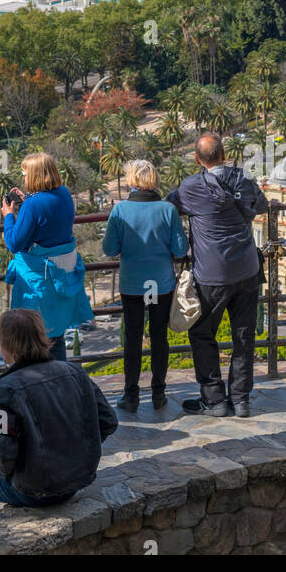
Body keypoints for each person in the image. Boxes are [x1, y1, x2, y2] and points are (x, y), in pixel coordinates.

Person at [0, 308, 118, 524]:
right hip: (76, 481)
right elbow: (108, 422)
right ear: (42, 337)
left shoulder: (6, 389)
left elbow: (3, 455)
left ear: (6, 346)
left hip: (33, 489)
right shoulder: (75, 372)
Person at [168, 132, 269, 419]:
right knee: (244, 336)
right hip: (248, 270)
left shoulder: (190, 187)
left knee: (201, 334)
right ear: (224, 156)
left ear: (198, 160)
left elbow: (168, 205)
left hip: (211, 274)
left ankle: (214, 401)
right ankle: (241, 400)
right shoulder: (244, 179)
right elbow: (261, 206)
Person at [102, 158, 190, 414]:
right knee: (159, 337)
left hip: (132, 285)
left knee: (133, 338)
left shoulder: (120, 211)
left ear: (132, 181)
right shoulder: (167, 210)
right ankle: (158, 392)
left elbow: (109, 249)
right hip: (160, 284)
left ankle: (130, 395)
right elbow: (181, 248)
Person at [2, 152, 92, 360]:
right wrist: (27, 203)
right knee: (55, 337)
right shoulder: (64, 194)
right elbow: (47, 224)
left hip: (38, 282)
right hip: (61, 277)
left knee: (32, 338)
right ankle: (59, 383)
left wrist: (9, 216)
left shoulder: (33, 205)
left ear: (34, 175)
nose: (23, 178)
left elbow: (15, 243)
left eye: (25, 174)